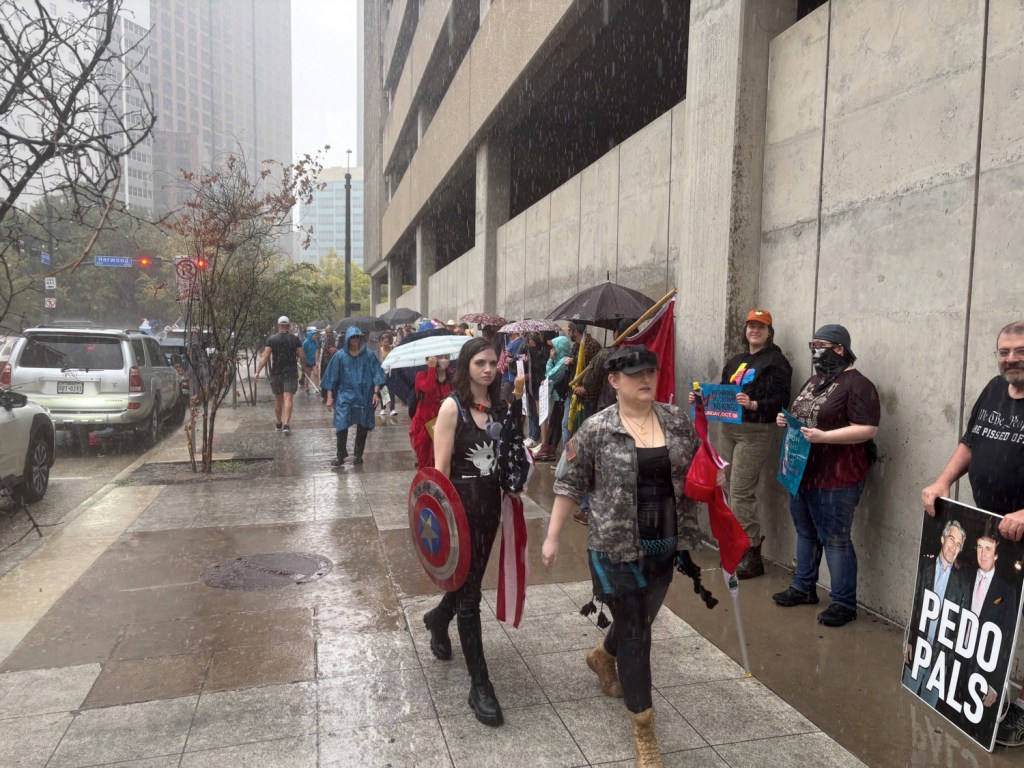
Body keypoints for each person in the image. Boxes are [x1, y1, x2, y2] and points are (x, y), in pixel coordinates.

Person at [542, 345, 701, 768]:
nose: (645, 378)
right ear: (613, 381)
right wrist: (552, 536)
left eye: (650, 371)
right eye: (634, 374)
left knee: (641, 622)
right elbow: (568, 482)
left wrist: (712, 476)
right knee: (636, 633)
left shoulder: (676, 421)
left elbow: (698, 468)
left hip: (665, 545)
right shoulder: (596, 429)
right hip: (614, 548)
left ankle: (600, 656)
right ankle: (644, 729)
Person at [922, 320, 1024, 745]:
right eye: (1004, 351)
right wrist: (943, 481)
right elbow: (970, 443)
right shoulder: (993, 389)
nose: (1011, 359)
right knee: (995, 618)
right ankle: (988, 695)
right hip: (992, 528)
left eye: (1020, 351)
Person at [421, 337, 510, 727]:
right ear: (466, 366)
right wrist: (442, 522)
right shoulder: (450, 407)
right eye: (480, 363)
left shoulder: (502, 406)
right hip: (460, 508)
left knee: (467, 581)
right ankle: (480, 685)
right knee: (470, 595)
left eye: (492, 362)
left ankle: (439, 620)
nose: (488, 369)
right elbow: (439, 472)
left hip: (490, 506)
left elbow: (507, 457)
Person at [772, 324, 880, 627]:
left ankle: (844, 603)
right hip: (802, 472)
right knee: (805, 533)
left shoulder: (858, 384)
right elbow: (803, 414)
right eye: (813, 344)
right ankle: (803, 587)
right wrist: (786, 418)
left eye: (822, 345)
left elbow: (868, 428)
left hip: (837, 475)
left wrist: (825, 437)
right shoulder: (815, 380)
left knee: (835, 539)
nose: (815, 351)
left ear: (840, 349)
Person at [689, 309, 792, 579]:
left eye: (761, 326)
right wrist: (701, 398)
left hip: (756, 431)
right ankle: (737, 542)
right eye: (751, 326)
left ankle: (752, 552)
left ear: (769, 332)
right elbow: (723, 393)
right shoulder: (736, 360)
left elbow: (782, 400)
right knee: (727, 487)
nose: (755, 330)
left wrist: (755, 403)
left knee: (741, 492)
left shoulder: (776, 362)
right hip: (729, 431)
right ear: (744, 330)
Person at [902, 518, 969, 707]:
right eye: (951, 540)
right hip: (918, 649)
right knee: (905, 703)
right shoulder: (924, 568)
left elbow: (961, 626)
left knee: (927, 715)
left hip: (940, 661)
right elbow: (916, 605)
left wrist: (948, 659)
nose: (953, 547)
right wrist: (909, 639)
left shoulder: (962, 585)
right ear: (942, 539)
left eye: (958, 544)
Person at [322, 326, 386, 466]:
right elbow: (331, 377)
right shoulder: (339, 356)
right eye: (352, 337)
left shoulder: (368, 355)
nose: (355, 340)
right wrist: (329, 397)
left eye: (357, 337)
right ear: (347, 339)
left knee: (362, 425)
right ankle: (341, 454)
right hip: (345, 395)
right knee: (341, 424)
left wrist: (376, 393)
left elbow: (377, 374)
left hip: (364, 394)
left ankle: (358, 454)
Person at [253, 315, 304, 433]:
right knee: (288, 398)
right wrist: (305, 369)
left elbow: (265, 357)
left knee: (278, 398)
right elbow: (302, 356)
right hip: (291, 372)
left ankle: (278, 422)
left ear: (278, 326)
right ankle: (286, 424)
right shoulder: (295, 340)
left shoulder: (272, 340)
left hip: (276, 372)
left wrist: (257, 372)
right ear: (289, 326)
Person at [409, 354, 452, 469]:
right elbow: (428, 388)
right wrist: (432, 368)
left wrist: (450, 400)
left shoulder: (452, 375)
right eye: (440, 356)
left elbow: (459, 394)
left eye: (446, 356)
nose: (444, 359)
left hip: (444, 421)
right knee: (426, 459)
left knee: (443, 458)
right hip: (425, 423)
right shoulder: (421, 375)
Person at [535, 335, 572, 462]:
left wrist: (550, 361)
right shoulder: (560, 360)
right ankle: (548, 449)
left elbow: (549, 375)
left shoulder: (564, 361)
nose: (553, 350)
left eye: (555, 347)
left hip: (562, 398)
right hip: (558, 397)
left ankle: (553, 451)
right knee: (554, 423)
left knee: (558, 425)